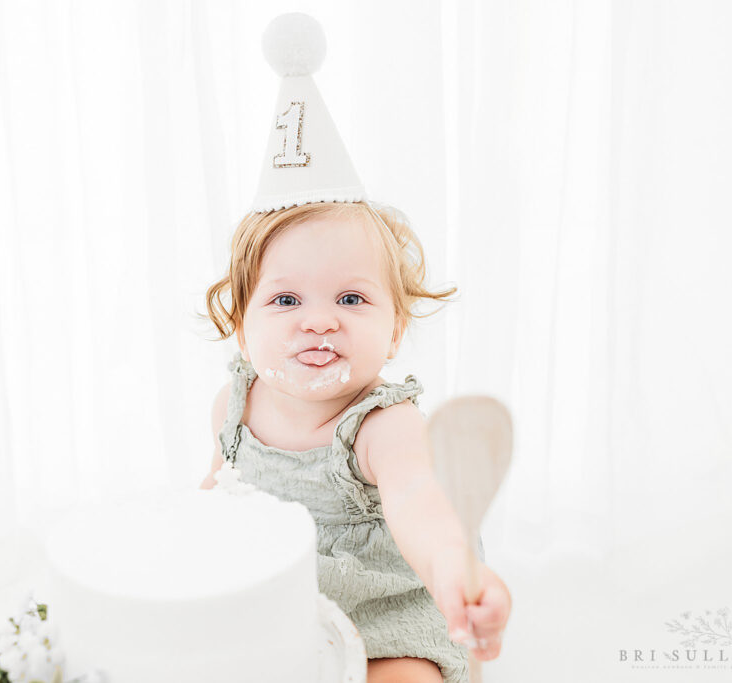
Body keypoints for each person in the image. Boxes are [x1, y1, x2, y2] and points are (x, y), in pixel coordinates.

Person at [197, 13, 512, 682]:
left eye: (351, 299)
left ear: (396, 328)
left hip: (386, 611)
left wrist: (454, 568)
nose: (318, 322)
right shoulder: (234, 401)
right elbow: (216, 491)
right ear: (240, 320)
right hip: (278, 609)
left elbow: (418, 497)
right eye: (286, 300)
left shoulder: (381, 423)